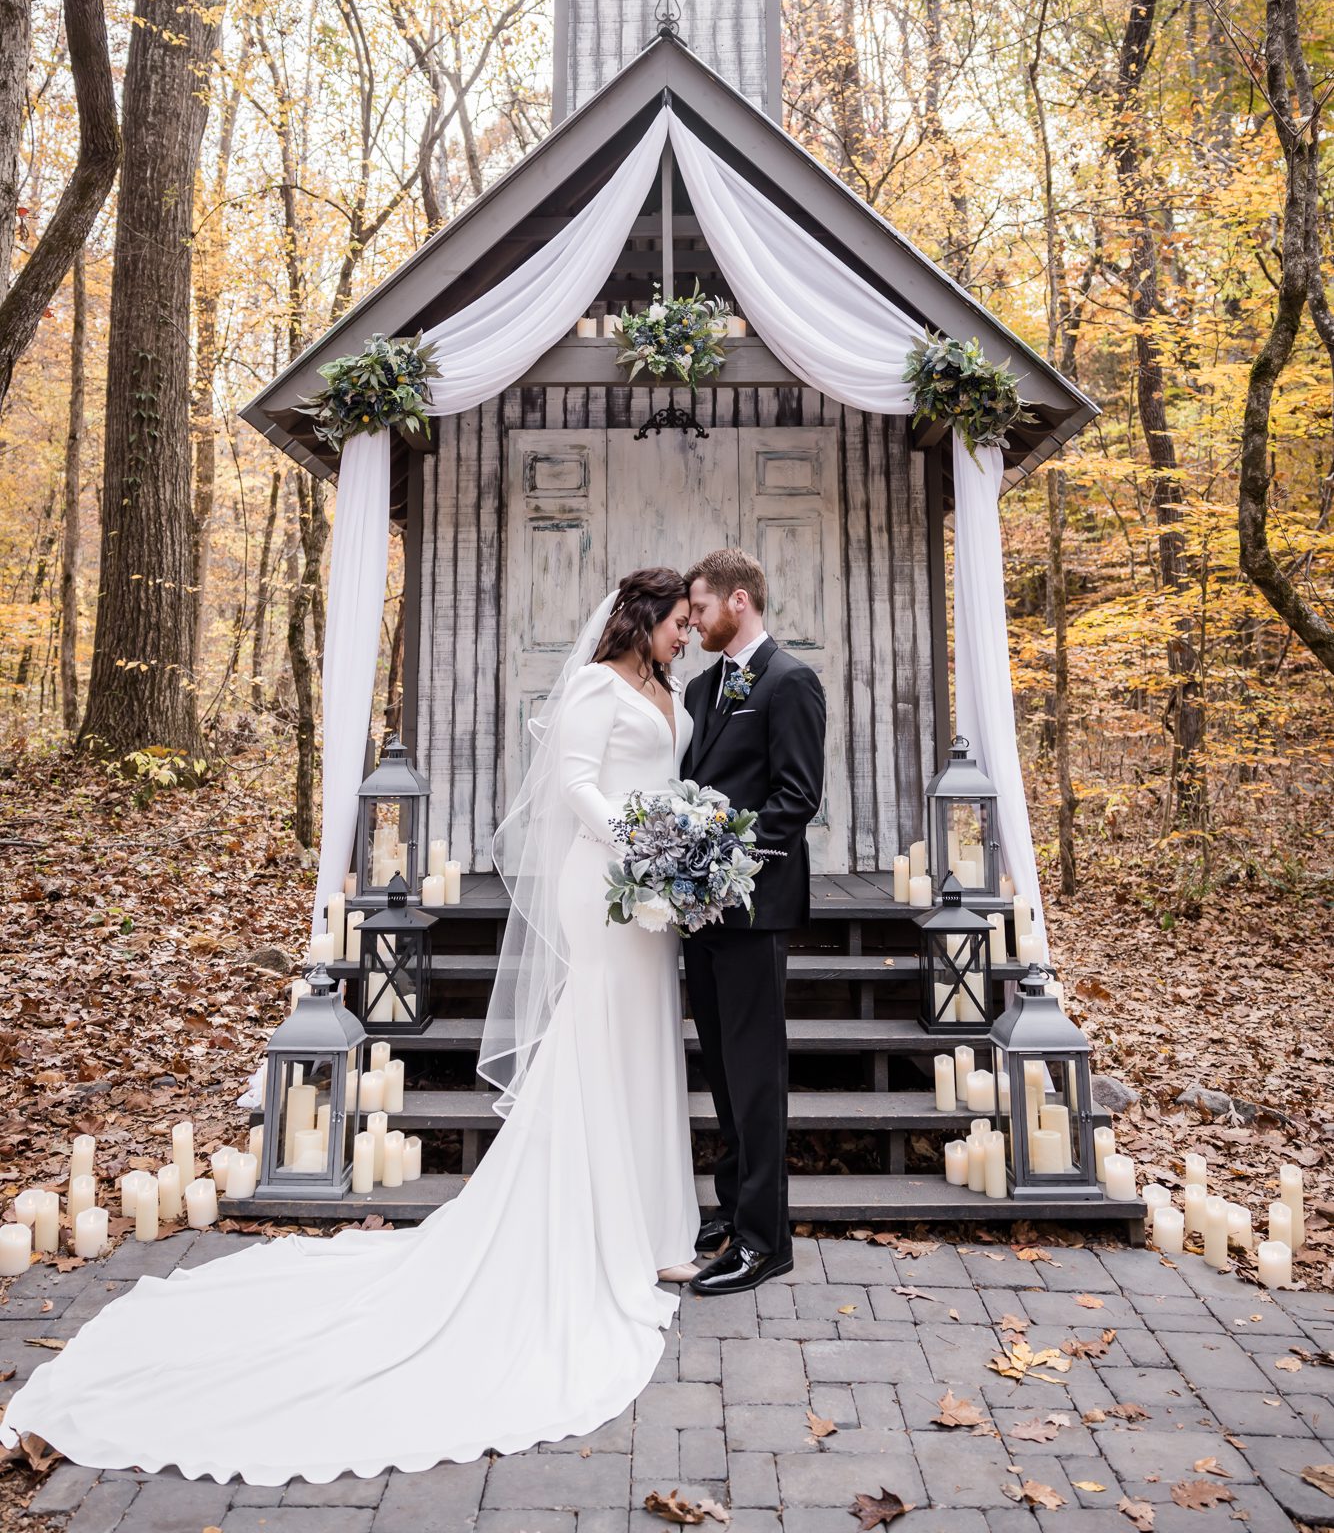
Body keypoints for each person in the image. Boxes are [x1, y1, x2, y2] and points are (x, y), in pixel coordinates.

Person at [0, 569, 702, 1485]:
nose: (688, 634)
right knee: (601, 1048)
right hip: (604, 887)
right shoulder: (593, 688)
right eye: (680, 621)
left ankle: (652, 1234)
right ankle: (596, 1234)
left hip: (651, 896)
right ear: (644, 618)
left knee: (644, 1049)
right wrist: (645, 843)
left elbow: (664, 776)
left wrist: (684, 843)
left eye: (693, 622)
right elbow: (574, 789)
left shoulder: (666, 691)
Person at [679, 548, 826, 1295]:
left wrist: (723, 865)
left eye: (700, 608)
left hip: (753, 907)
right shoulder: (704, 689)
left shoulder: (792, 682)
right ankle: (733, 1211)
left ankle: (767, 1242)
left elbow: (795, 800)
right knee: (724, 1074)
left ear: (739, 601)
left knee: (758, 1077)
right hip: (701, 914)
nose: (692, 621)